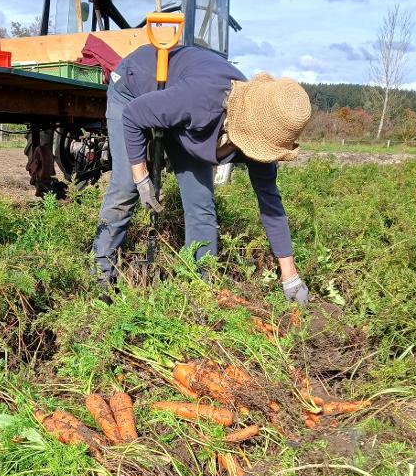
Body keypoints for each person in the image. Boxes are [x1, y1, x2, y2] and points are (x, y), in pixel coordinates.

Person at [93, 43, 312, 305]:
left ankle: (199, 290)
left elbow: (270, 203)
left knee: (200, 203)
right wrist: (141, 179)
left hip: (184, 107)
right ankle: (99, 280)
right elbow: (132, 116)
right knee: (125, 187)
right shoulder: (200, 100)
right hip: (134, 87)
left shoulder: (267, 130)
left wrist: (290, 276)